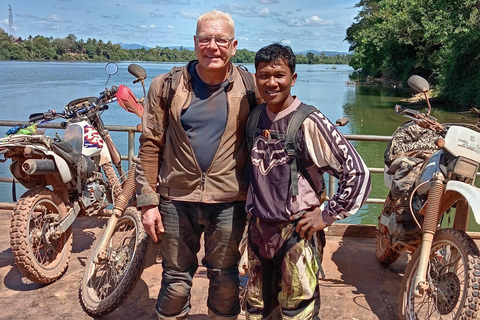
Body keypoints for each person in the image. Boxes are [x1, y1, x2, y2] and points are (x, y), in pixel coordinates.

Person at [134, 10, 259, 320]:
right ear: (195, 43)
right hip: (176, 200)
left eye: (220, 40)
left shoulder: (251, 87)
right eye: (205, 39)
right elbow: (150, 144)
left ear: (233, 45)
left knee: (226, 277)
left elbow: (271, 138)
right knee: (175, 280)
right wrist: (148, 203)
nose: (212, 46)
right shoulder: (167, 85)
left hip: (229, 200)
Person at [244, 43, 372, 320]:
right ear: (256, 78)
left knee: (298, 310)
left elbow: (358, 172)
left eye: (279, 75)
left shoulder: (310, 121)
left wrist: (327, 215)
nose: (272, 82)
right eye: (264, 75)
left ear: (293, 78)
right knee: (257, 308)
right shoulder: (255, 117)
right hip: (259, 232)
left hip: (297, 233)